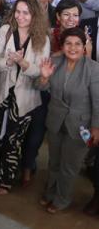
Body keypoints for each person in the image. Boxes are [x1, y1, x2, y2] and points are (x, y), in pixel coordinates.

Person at [0, 0, 50, 194]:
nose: (20, 16)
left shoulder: (42, 39)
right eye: (18, 12)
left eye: (26, 13)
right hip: (2, 93)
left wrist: (23, 63)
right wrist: (10, 62)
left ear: (34, 15)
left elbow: (40, 70)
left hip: (25, 98)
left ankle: (5, 179)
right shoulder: (5, 31)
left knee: (14, 141)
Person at [37, 27, 99, 214]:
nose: (73, 48)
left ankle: (62, 199)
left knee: (69, 167)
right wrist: (44, 77)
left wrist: (96, 127)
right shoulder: (54, 61)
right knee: (54, 162)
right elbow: (40, 87)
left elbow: (98, 101)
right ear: (62, 46)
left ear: (84, 46)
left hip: (81, 126)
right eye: (68, 44)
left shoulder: (93, 69)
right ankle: (50, 193)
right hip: (56, 121)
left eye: (77, 44)